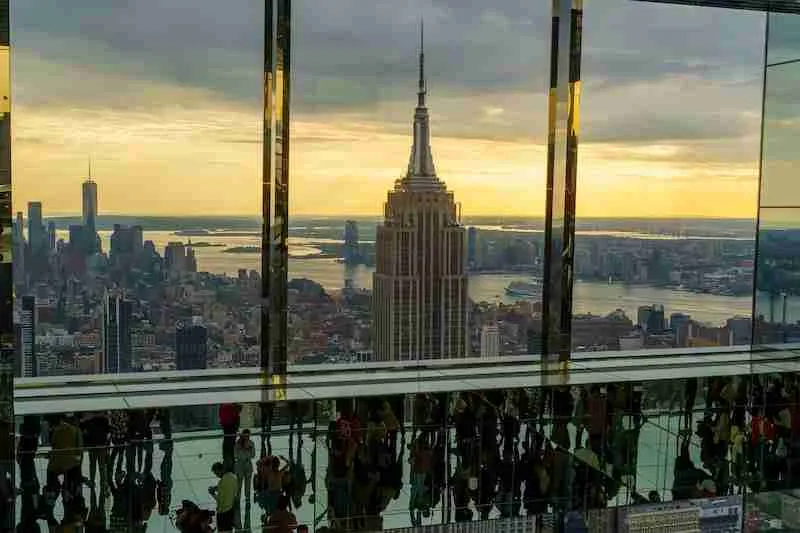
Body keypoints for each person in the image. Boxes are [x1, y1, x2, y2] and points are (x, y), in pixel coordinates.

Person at [209, 462, 238, 533]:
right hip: (231, 511)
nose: (217, 475)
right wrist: (217, 488)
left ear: (220, 470)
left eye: (216, 473)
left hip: (222, 513)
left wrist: (212, 494)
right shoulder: (233, 477)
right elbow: (234, 491)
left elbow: (220, 500)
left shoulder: (221, 482)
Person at [234, 429, 256, 505]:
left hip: (248, 464)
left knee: (248, 484)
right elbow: (235, 455)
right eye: (246, 435)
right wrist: (245, 450)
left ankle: (247, 499)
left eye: (248, 435)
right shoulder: (237, 443)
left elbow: (253, 455)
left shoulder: (251, 443)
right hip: (240, 465)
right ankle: (237, 498)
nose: (247, 437)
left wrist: (246, 450)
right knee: (239, 484)